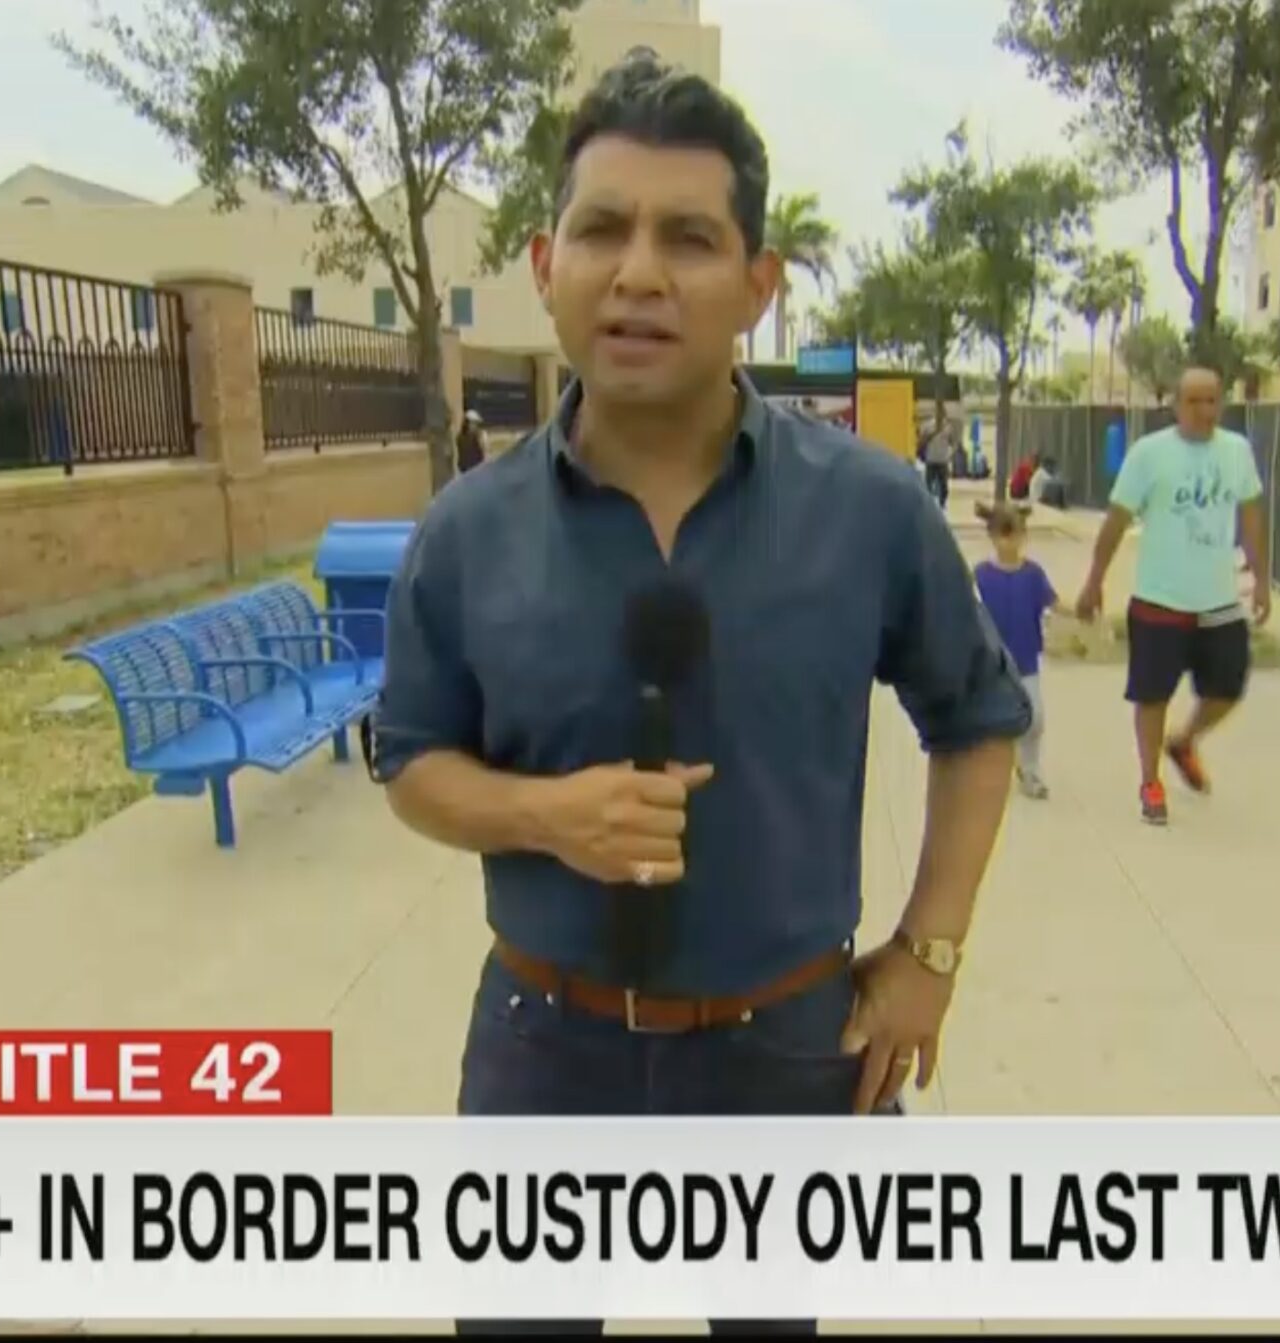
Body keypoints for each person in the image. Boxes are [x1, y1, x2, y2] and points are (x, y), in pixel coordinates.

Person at [370, 55, 1030, 1335]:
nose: (639, 273)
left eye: (688, 238)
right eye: (601, 230)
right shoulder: (465, 532)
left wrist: (929, 953)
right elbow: (412, 760)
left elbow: (979, 722)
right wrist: (545, 814)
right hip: (542, 1049)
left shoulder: (869, 510)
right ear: (544, 262)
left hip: (783, 1051)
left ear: (757, 284)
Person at [1074, 367, 1270, 827]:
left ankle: (1183, 741)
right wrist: (1094, 580)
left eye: (1212, 401)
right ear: (1176, 405)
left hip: (1218, 600)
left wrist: (1261, 577)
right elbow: (1117, 520)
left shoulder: (1236, 451)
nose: (1204, 411)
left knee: (1227, 688)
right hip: (1159, 599)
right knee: (1152, 696)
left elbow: (1251, 516)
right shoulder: (1149, 454)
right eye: (1194, 401)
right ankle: (1150, 781)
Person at [972, 501, 1066, 799]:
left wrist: (1079, 611)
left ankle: (1030, 769)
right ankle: (987, 773)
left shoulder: (1033, 574)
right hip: (992, 663)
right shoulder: (980, 575)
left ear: (1024, 535)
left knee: (1035, 718)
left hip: (1026, 661)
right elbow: (966, 611)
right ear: (992, 536)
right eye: (1003, 535)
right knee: (990, 721)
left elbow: (1054, 601)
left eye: (1014, 535)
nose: (1009, 542)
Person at [919, 413, 956, 509]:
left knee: (941, 486)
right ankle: (931, 505)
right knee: (930, 485)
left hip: (940, 460)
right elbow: (922, 441)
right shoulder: (929, 426)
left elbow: (952, 442)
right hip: (933, 460)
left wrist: (950, 454)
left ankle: (940, 504)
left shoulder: (947, 427)